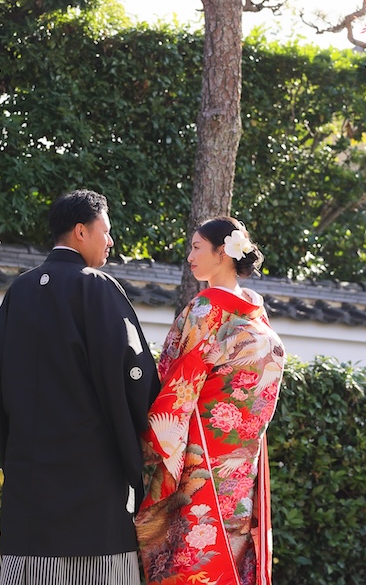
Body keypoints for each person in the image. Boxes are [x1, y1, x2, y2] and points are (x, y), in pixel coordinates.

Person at [0, 189, 162, 585]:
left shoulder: (19, 292)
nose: (110, 241)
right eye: (106, 231)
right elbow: (135, 376)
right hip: (92, 475)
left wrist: (14, 451)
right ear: (81, 231)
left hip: (29, 475)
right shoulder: (96, 287)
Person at [135, 217, 285, 585]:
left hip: (200, 456)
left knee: (193, 553)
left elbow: (172, 377)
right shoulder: (256, 313)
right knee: (230, 549)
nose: (189, 256)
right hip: (241, 464)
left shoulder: (205, 310)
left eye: (196, 248)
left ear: (222, 253)